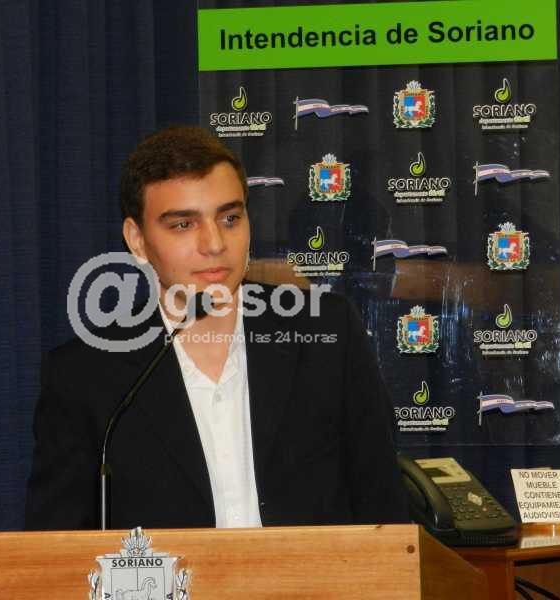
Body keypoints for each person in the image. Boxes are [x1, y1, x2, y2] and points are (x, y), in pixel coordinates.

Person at [24, 126, 409, 530]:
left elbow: (385, 509)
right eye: (183, 225)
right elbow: (57, 545)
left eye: (229, 218)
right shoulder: (84, 377)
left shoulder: (327, 333)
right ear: (137, 240)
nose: (214, 243)